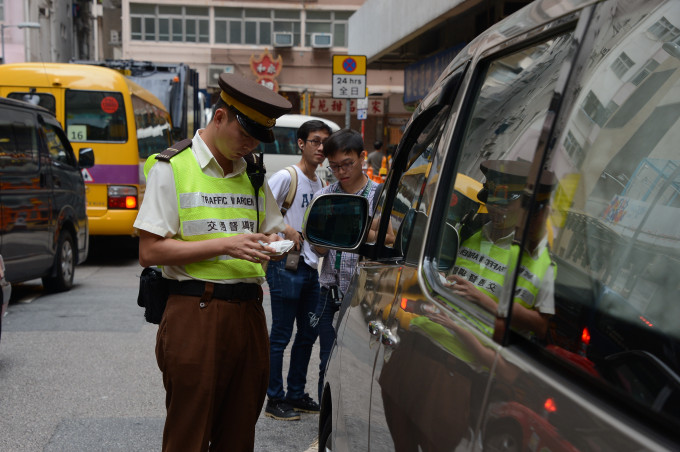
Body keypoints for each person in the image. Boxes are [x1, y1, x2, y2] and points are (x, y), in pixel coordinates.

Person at [134, 73, 292, 452]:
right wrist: (226, 245)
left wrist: (273, 242)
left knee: (239, 436)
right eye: (245, 133)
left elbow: (270, 229)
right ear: (219, 117)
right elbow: (150, 251)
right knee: (188, 436)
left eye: (257, 138)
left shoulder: (252, 172)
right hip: (195, 311)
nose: (250, 144)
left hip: (249, 313)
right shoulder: (171, 167)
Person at [264, 120, 332, 421]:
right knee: (280, 336)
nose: (320, 148)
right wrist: (286, 229)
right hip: (284, 268)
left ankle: (296, 393)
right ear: (301, 143)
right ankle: (274, 399)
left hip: (309, 268)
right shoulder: (286, 177)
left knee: (308, 334)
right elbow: (258, 212)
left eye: (324, 144)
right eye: (315, 141)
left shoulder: (320, 184)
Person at [446, 160, 556, 340]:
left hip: (479, 357)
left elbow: (540, 326)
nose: (495, 208)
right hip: (434, 332)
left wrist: (481, 300)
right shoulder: (468, 229)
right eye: (491, 200)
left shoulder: (540, 259)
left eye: (504, 204)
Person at [311, 129, 383, 403]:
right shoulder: (326, 196)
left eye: (347, 164)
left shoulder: (378, 195)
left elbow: (390, 238)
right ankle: (326, 421)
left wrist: (347, 229)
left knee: (363, 365)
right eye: (334, 167)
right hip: (329, 293)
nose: (341, 172)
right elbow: (318, 247)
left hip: (367, 295)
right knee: (327, 360)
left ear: (362, 157)